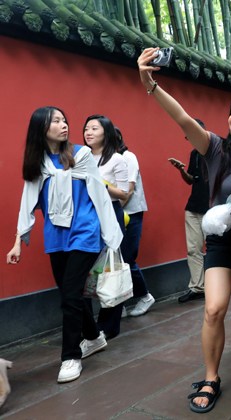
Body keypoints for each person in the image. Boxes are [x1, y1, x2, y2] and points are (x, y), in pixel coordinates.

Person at [137, 47, 231, 414]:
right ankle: (211, 377)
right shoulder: (215, 149)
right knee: (214, 310)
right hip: (222, 240)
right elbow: (182, 118)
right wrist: (149, 82)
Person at [6, 107, 122, 383]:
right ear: (41, 128)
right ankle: (93, 337)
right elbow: (28, 200)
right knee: (71, 293)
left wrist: (111, 237)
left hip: (85, 232)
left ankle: (71, 356)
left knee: (70, 294)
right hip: (56, 235)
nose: (64, 124)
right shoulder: (38, 163)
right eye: (56, 121)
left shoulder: (81, 155)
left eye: (64, 120)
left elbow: (100, 195)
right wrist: (18, 241)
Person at [83, 114, 130, 338]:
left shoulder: (117, 159)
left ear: (106, 132)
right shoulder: (81, 156)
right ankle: (89, 325)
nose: (88, 132)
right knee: (89, 266)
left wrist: (100, 184)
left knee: (111, 267)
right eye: (86, 128)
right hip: (87, 214)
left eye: (94, 128)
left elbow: (124, 193)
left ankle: (109, 325)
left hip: (110, 212)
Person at [116, 128, 155, 316]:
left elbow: (128, 190)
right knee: (115, 261)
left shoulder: (128, 157)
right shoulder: (106, 160)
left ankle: (145, 296)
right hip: (115, 215)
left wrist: (114, 211)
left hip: (130, 213)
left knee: (127, 257)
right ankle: (119, 304)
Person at [169, 119, 209, 303]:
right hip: (194, 207)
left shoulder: (219, 151)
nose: (189, 139)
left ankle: (221, 283)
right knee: (193, 250)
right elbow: (192, 180)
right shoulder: (194, 154)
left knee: (215, 248)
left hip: (213, 209)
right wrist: (181, 170)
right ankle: (197, 287)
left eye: (190, 135)